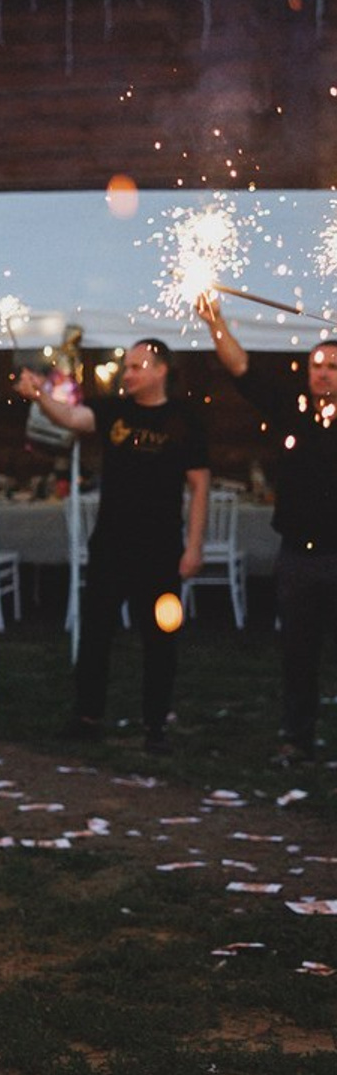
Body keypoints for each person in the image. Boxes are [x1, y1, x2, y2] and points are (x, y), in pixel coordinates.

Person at [13, 339, 210, 754]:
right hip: (111, 545)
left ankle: (155, 724)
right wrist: (41, 395)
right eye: (128, 366)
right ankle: (87, 717)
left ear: (160, 371)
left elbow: (200, 485)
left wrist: (193, 547)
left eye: (138, 366)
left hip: (160, 550)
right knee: (96, 631)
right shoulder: (112, 411)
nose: (129, 373)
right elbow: (70, 416)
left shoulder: (182, 419)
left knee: (160, 636)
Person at [197, 294, 337, 763]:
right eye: (317, 364)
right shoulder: (290, 408)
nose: (322, 372)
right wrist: (217, 322)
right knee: (299, 653)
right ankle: (296, 739)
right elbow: (242, 370)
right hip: (299, 554)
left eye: (333, 366)